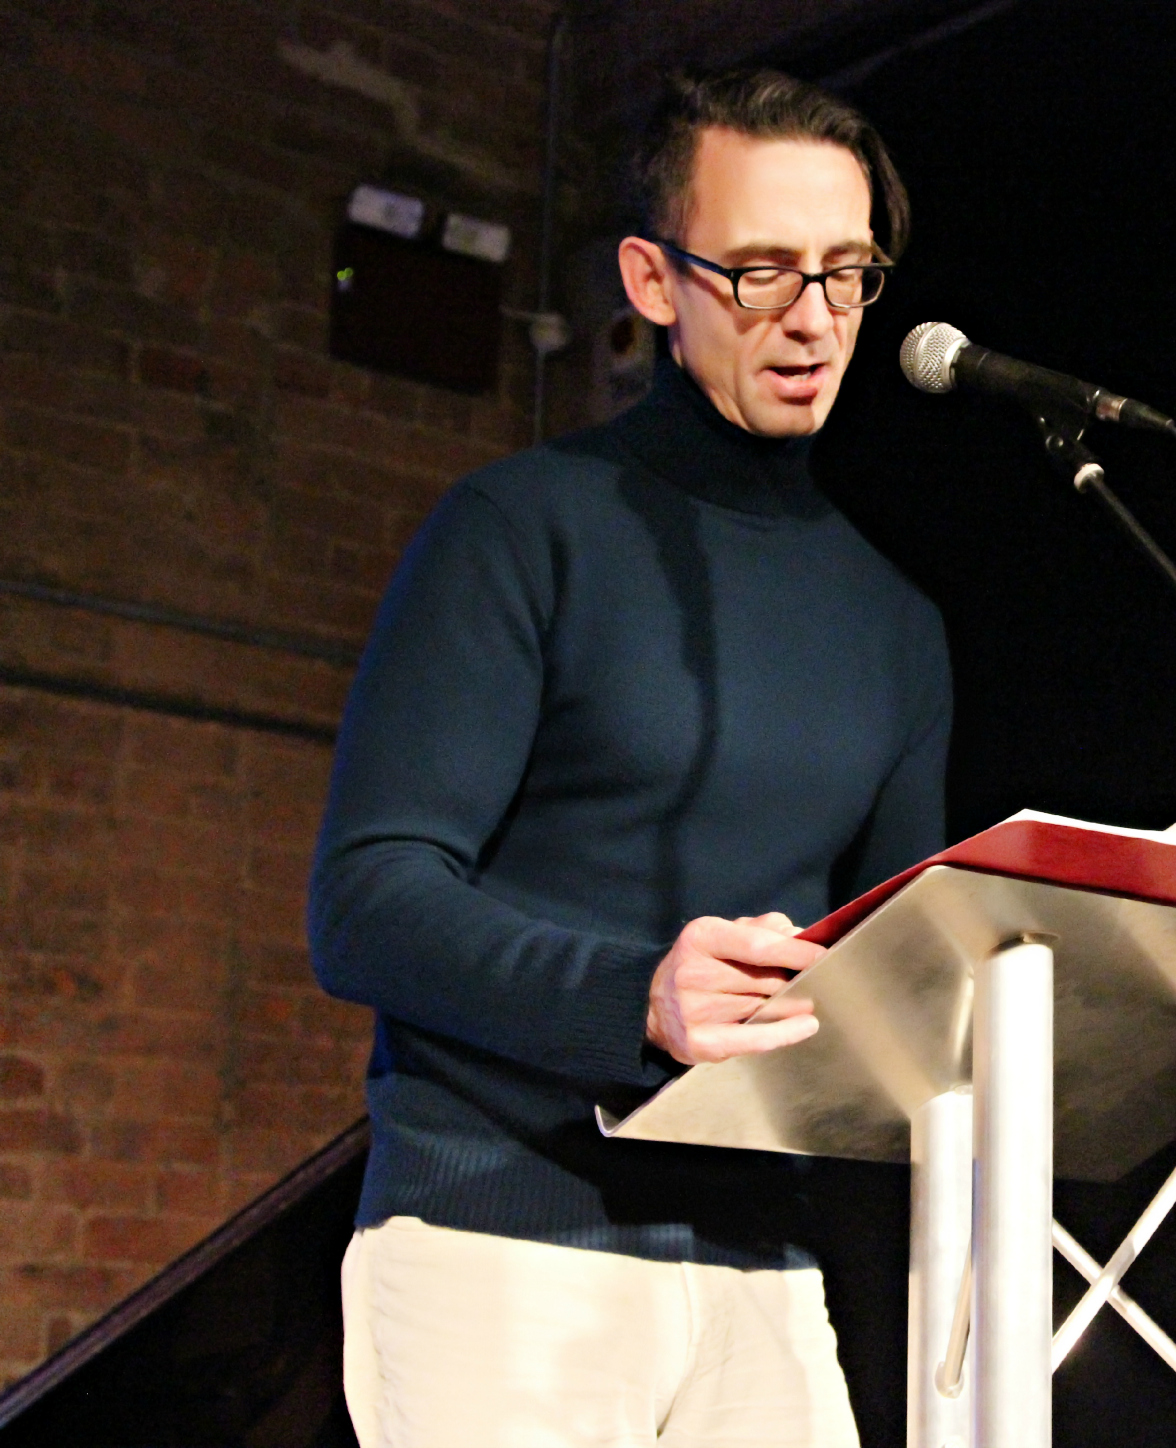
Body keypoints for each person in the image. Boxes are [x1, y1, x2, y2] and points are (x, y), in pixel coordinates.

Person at [309, 69, 948, 1448]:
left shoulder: (897, 626)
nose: (817, 318)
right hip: (500, 1246)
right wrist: (631, 999)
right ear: (654, 281)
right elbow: (365, 903)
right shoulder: (520, 529)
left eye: (848, 273)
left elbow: (899, 964)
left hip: (760, 1271)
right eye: (763, 271)